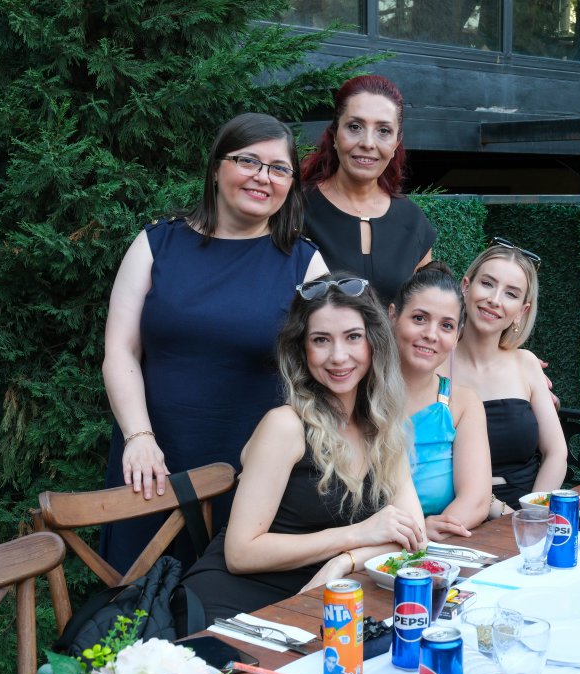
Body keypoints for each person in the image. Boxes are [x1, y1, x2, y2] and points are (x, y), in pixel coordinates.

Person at [100, 113, 328, 572]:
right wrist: (138, 438)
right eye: (248, 161)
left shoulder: (306, 265)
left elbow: (329, 371)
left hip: (253, 476)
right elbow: (120, 350)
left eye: (279, 168)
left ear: (290, 184)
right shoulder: (156, 244)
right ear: (217, 167)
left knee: (231, 603)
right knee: (133, 600)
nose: (263, 177)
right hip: (152, 464)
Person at [180, 274, 426, 621]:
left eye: (353, 337)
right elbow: (240, 554)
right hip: (235, 603)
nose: (338, 356)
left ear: (374, 343)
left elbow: (414, 537)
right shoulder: (285, 426)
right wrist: (356, 535)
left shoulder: (383, 428)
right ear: (302, 349)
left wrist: (345, 562)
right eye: (321, 340)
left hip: (318, 600)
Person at [446, 242, 568, 510]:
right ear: (466, 287)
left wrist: (533, 514)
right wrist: (495, 510)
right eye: (487, 284)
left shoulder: (526, 364)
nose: (495, 299)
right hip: (456, 512)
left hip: (525, 510)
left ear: (521, 311)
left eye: (511, 294)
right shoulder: (434, 365)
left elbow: (556, 453)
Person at [300, 75, 436, 304]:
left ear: (396, 142)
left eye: (383, 130)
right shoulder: (296, 208)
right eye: (355, 127)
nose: (368, 143)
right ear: (334, 134)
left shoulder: (412, 221)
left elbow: (421, 310)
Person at [389, 262, 493, 541]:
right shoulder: (360, 395)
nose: (431, 334)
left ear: (457, 336)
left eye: (446, 326)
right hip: (363, 546)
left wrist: (423, 536)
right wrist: (417, 533)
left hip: (435, 546)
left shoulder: (463, 403)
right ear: (393, 316)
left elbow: (476, 500)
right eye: (419, 318)